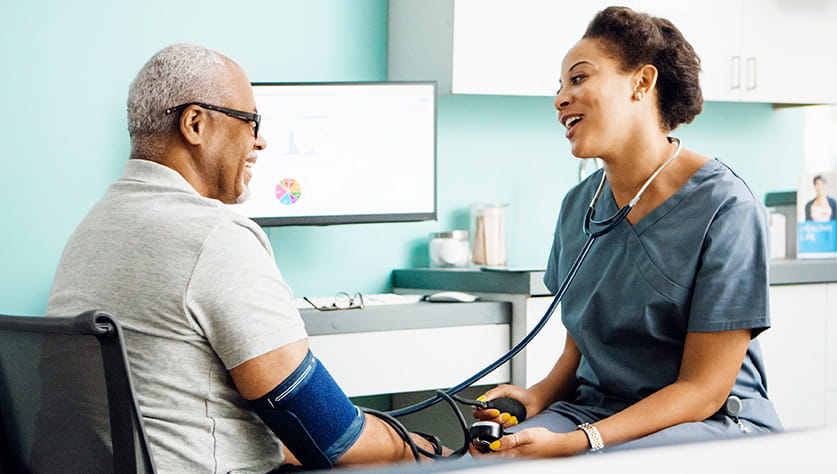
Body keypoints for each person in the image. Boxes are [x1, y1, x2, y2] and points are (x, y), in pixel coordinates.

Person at [46, 43, 435, 472]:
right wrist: (432, 448)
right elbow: (329, 435)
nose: (260, 140)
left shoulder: (92, 227)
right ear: (195, 123)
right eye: (251, 122)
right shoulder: (214, 236)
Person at [471, 6, 782, 458]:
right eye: (559, 87)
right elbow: (578, 353)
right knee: (493, 460)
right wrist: (536, 396)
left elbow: (703, 390)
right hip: (593, 412)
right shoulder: (579, 205)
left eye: (578, 79)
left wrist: (579, 443)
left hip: (709, 420)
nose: (560, 99)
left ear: (642, 83)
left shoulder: (725, 207)